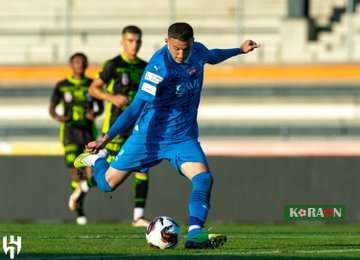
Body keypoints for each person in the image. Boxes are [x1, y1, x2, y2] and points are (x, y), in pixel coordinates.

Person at [72, 22, 259, 248]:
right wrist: (106, 139)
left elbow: (212, 55)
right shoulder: (158, 67)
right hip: (149, 137)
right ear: (166, 42)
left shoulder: (197, 51)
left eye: (185, 48)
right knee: (107, 185)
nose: (181, 54)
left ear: (192, 42)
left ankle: (195, 234)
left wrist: (238, 50)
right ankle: (99, 159)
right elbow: (134, 108)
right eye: (176, 49)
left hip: (182, 137)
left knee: (203, 178)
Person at [88, 25, 150, 227]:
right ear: (122, 42)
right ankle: (83, 186)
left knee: (143, 167)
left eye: (138, 41)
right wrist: (111, 97)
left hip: (137, 127)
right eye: (130, 40)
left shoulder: (145, 66)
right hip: (114, 126)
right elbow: (94, 88)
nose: (135, 45)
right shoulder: (113, 65)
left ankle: (138, 217)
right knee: (110, 174)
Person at [49, 52, 103, 225]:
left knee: (89, 174)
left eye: (82, 62)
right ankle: (80, 212)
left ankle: (77, 195)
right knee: (75, 168)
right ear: (71, 65)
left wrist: (94, 113)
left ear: (86, 65)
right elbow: (52, 107)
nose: (80, 65)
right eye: (76, 62)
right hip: (70, 133)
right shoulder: (62, 85)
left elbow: (100, 107)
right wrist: (58, 117)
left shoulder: (91, 85)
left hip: (88, 133)